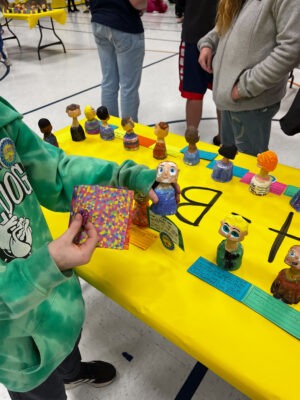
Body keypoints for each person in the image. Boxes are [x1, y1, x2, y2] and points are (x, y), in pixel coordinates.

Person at [0, 96, 162, 400]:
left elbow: (55, 172)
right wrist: (45, 268)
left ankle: (72, 373)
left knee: (67, 340)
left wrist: (122, 178)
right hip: (14, 344)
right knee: (42, 391)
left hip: (56, 297)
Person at [198, 0, 300, 156]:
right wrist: (209, 42)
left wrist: (244, 87)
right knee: (228, 163)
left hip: (252, 103)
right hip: (229, 100)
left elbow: (290, 50)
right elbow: (228, 23)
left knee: (247, 172)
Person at [90, 0, 147, 123]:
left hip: (99, 20)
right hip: (124, 23)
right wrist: (144, 5)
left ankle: (108, 127)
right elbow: (137, 2)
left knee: (108, 81)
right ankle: (129, 134)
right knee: (128, 87)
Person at [177, 0, 221, 145]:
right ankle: (224, 138)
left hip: (194, 33)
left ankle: (191, 139)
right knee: (222, 92)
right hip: (221, 37)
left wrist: (180, 9)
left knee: (194, 93)